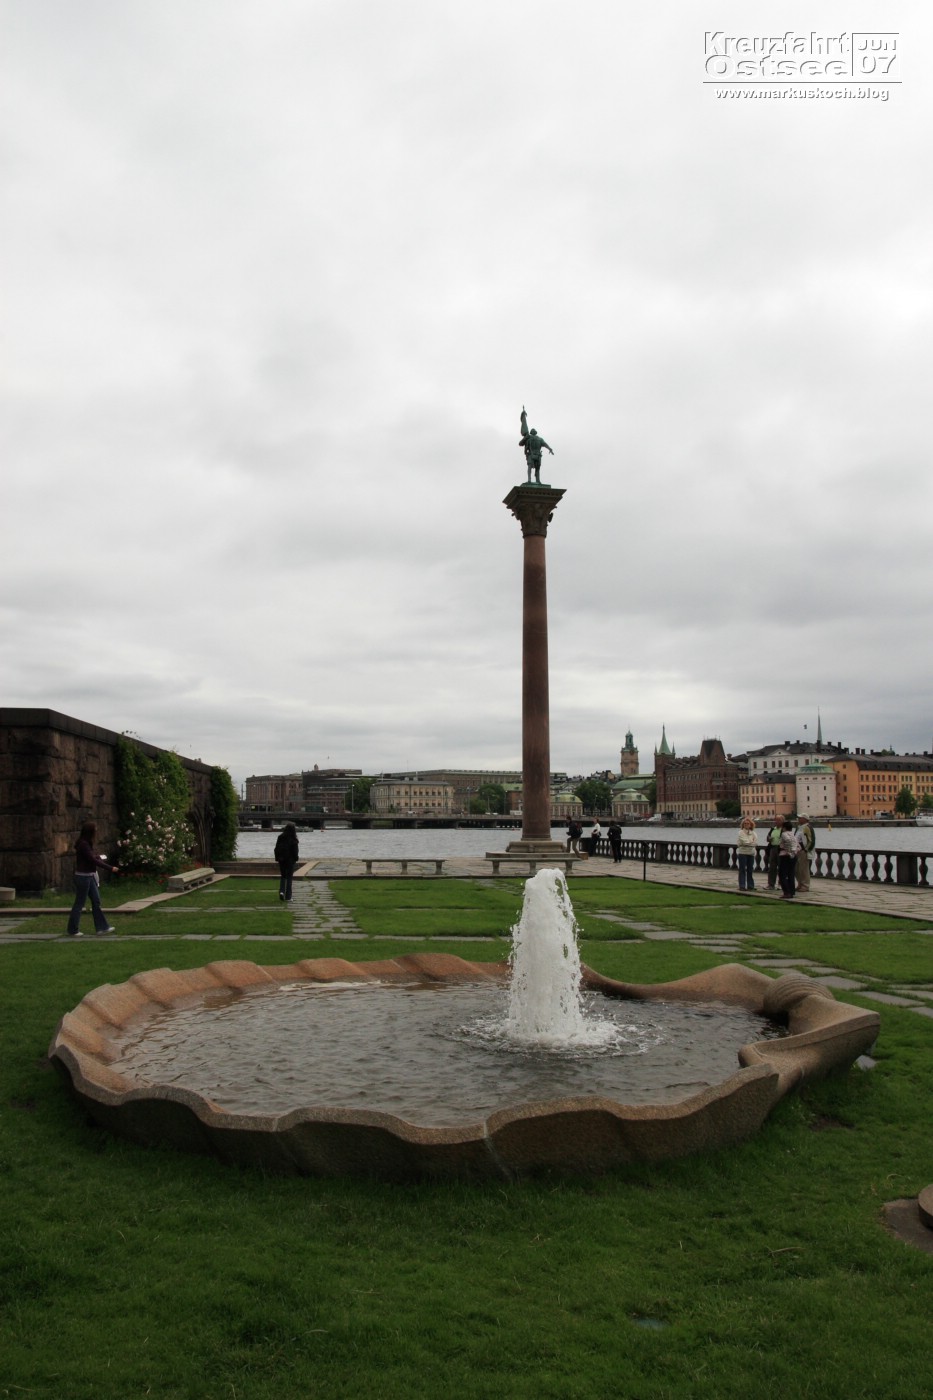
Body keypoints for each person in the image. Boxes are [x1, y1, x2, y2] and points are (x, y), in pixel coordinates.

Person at [66, 821, 118, 936]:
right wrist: (110, 868)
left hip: (89, 876)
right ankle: (72, 929)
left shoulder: (87, 844)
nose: (96, 832)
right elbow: (92, 860)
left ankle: (102, 927)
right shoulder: (83, 844)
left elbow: (91, 857)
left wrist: (98, 857)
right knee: (79, 903)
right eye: (95, 830)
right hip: (83, 877)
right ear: (90, 832)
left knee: (96, 901)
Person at [518, 406, 554, 484]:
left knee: (536, 468)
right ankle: (531, 480)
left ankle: (536, 480)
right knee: (532, 467)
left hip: (535, 455)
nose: (533, 431)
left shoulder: (538, 439)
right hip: (533, 454)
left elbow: (545, 444)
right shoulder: (532, 438)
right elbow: (520, 443)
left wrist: (550, 448)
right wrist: (550, 448)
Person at [274, 822, 300, 902]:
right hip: (290, 860)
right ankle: (288, 896)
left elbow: (276, 848)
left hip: (281, 859)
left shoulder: (280, 837)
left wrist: (277, 858)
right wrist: (296, 858)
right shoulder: (293, 839)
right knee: (289, 877)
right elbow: (295, 851)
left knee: (283, 876)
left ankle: (282, 891)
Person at [736, 816, 758, 891]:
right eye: (745, 823)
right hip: (742, 852)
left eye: (748, 823)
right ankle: (742, 886)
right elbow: (744, 841)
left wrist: (749, 843)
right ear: (743, 825)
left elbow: (755, 843)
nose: (746, 825)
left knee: (750, 870)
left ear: (751, 825)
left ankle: (750, 886)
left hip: (751, 853)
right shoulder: (740, 832)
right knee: (742, 869)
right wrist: (750, 843)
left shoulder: (754, 833)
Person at [777, 820, 798, 899]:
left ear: (784, 828)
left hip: (785, 855)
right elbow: (798, 846)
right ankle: (792, 891)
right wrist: (794, 852)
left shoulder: (784, 834)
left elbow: (788, 841)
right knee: (791, 874)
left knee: (782, 874)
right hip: (793, 856)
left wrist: (788, 851)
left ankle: (786, 892)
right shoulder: (793, 835)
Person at [796, 813, 815, 892]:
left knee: (804, 869)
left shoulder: (807, 827)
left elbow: (811, 840)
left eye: (800, 818)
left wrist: (806, 850)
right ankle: (800, 883)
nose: (799, 819)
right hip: (797, 850)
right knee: (797, 869)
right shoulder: (798, 827)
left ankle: (805, 885)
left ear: (805, 819)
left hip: (803, 851)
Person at [765, 818, 783, 890]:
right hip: (772, 848)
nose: (777, 821)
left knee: (781, 867)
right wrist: (769, 838)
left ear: (782, 821)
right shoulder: (773, 829)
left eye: (779, 820)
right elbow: (767, 838)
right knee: (772, 867)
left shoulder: (783, 829)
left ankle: (781, 884)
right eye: (776, 820)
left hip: (781, 849)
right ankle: (771, 884)